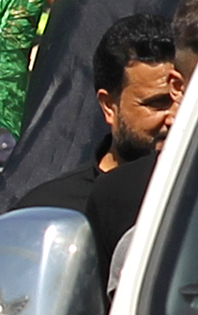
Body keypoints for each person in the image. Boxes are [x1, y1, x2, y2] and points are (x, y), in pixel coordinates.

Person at [78, 13, 184, 259]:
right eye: (158, 103)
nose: (175, 116)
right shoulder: (59, 211)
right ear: (109, 106)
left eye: (184, 98)